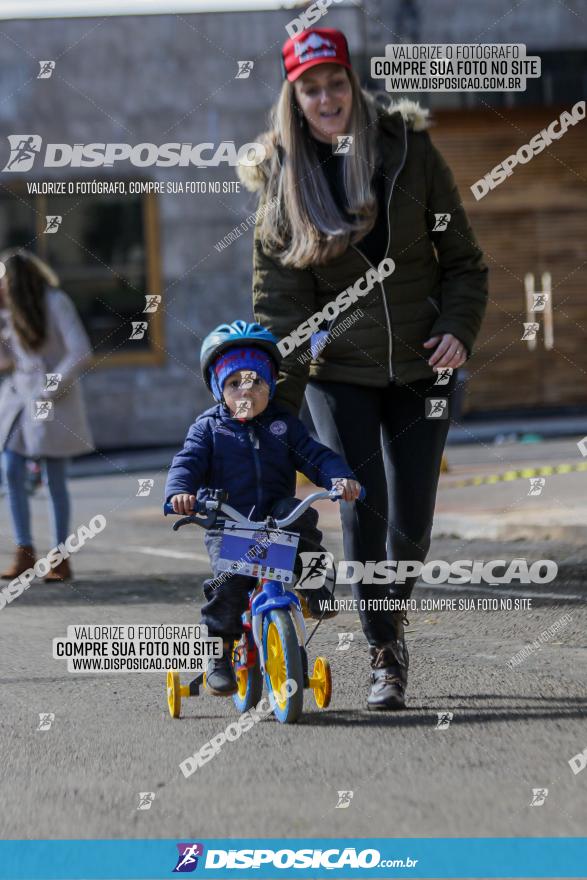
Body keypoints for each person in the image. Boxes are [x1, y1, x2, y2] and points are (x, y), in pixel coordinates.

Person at [238, 28, 488, 709]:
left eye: (335, 83)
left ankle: (389, 615)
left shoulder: (409, 150)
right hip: (338, 372)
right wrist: (271, 413)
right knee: (362, 508)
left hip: (421, 367)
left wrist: (455, 329)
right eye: (311, 88)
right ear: (295, 97)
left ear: (352, 83)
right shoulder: (280, 179)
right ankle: (383, 650)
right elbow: (282, 315)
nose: (326, 98)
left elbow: (463, 261)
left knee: (410, 525)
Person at [164, 320, 361, 696]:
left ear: (270, 386)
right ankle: (219, 653)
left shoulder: (284, 427)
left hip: (276, 519)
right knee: (229, 585)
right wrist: (180, 493)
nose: (245, 392)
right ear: (219, 389)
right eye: (234, 383)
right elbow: (186, 463)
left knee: (300, 511)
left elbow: (316, 456)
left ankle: (314, 587)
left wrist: (339, 477)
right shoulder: (208, 429)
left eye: (255, 382)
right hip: (228, 522)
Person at [0, 249, 94, 582]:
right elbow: (7, 362)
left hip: (54, 399)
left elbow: (81, 350)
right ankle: (24, 552)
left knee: (55, 477)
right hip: (19, 400)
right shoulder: (10, 311)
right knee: (10, 467)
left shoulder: (55, 301)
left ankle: (60, 557)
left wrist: (50, 387)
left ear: (15, 280)